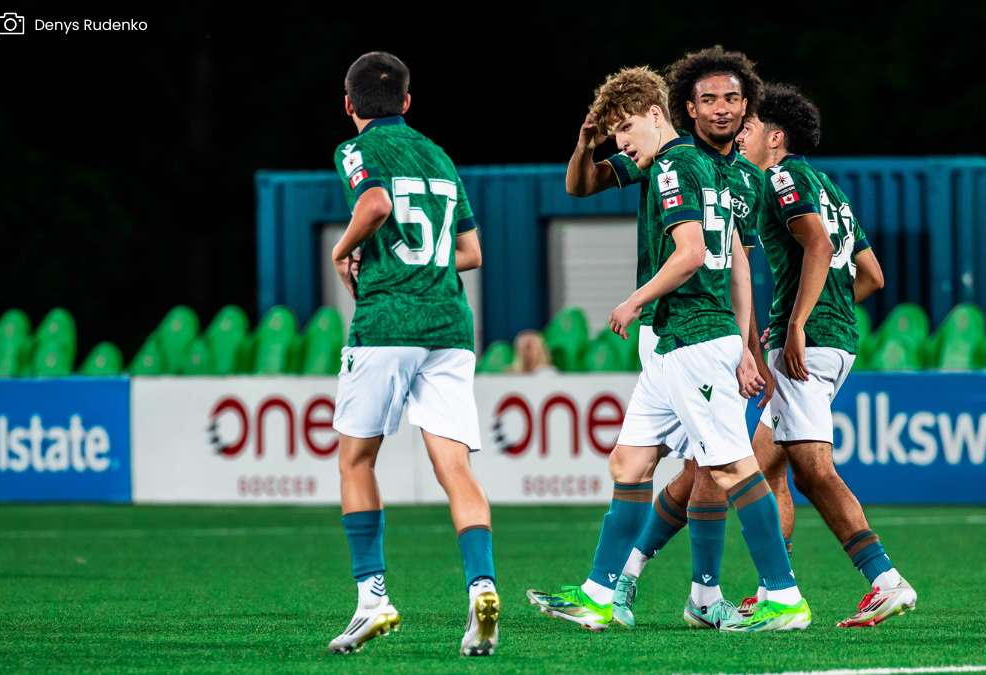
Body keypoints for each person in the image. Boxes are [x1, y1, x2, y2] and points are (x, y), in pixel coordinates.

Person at [527, 65, 811, 633]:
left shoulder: (676, 167)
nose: (622, 143)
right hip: (679, 339)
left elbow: (689, 254)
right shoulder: (696, 165)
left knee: (729, 466)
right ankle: (600, 593)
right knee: (630, 461)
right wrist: (743, 342)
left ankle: (783, 597)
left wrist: (635, 302)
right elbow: (733, 257)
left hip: (692, 334)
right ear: (687, 109)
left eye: (625, 129)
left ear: (658, 116)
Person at [326, 51, 499, 656]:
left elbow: (373, 206)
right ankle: (481, 586)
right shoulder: (439, 156)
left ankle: (372, 600)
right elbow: (472, 251)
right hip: (450, 327)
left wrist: (343, 250)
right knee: (456, 468)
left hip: (387, 323)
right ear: (406, 102)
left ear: (349, 105)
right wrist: (420, 260)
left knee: (355, 461)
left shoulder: (357, 150)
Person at [735, 82, 917, 627]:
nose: (740, 132)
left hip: (805, 347)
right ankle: (777, 588)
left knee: (813, 471)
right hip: (833, 342)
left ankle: (886, 580)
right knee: (765, 462)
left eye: (749, 125)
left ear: (776, 135)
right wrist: (822, 315)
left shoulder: (786, 175)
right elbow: (873, 276)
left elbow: (816, 244)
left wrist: (796, 323)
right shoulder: (827, 186)